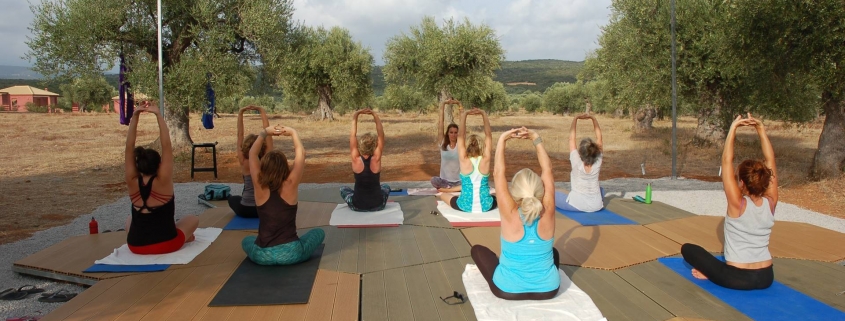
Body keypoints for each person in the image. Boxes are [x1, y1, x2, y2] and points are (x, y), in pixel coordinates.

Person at [681, 114, 777, 290]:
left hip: (736, 278)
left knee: (688, 249)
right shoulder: (771, 202)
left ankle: (711, 272)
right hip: (766, 276)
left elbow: (726, 161)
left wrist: (733, 128)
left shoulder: (737, 204)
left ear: (741, 183)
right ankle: (712, 271)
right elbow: (770, 161)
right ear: (765, 180)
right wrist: (761, 129)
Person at [471, 127, 560, 300]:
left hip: (507, 289)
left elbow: (498, 173)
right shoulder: (548, 211)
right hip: (549, 290)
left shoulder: (509, 212)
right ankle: (541, 276)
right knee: (554, 252)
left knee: (477, 250)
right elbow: (547, 170)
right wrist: (536, 137)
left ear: (514, 191)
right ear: (540, 189)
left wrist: (503, 139)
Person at [241, 124, 325, 265]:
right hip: (291, 253)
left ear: (264, 167)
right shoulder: (290, 184)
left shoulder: (259, 186)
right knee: (319, 232)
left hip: (262, 255)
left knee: (246, 241)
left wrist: (264, 133)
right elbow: (301, 154)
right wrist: (293, 132)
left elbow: (252, 154)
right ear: (285, 166)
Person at [124, 104, 198, 255]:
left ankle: (180, 236)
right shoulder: (163, 180)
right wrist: (158, 115)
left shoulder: (132, 180)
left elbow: (129, 146)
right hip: (166, 244)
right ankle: (185, 238)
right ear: (159, 165)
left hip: (135, 246)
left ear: (138, 165)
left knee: (128, 220)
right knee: (192, 219)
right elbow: (166, 145)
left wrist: (135, 116)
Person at [438, 108, 496, 212]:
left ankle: (449, 192)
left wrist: (465, 114)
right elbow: (488, 136)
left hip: (465, 206)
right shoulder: (485, 159)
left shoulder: (464, 159)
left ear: (467, 145)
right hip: (486, 206)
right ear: (481, 146)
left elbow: (461, 136)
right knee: (496, 195)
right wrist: (483, 113)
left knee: (442, 195)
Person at [340, 108, 390, 211]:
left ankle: (358, 195)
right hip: (378, 205)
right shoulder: (376, 158)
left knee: (343, 189)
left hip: (357, 205)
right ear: (375, 145)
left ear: (360, 145)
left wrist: (356, 115)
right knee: (386, 186)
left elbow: (352, 135)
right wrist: (375, 115)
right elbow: (381, 135)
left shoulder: (355, 158)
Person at [229, 105, 273, 218]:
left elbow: (240, 134)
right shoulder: (266, 158)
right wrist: (262, 111)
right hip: (264, 210)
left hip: (245, 210)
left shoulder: (243, 160)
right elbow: (268, 132)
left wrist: (240, 112)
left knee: (232, 198)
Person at [555, 113, 605, 212]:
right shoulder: (598, 161)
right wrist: (593, 118)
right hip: (596, 206)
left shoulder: (576, 162)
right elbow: (600, 138)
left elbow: (571, 139)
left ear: (580, 153)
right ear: (595, 151)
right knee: (602, 190)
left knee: (550, 190)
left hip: (576, 205)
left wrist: (576, 118)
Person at [431, 99, 462, 190]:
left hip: (459, 181)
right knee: (433, 180)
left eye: (456, 132)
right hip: (445, 181)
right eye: (451, 132)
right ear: (447, 133)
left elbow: (462, 123)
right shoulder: (443, 144)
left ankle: (451, 189)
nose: (453, 134)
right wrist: (443, 104)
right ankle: (450, 188)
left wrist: (459, 104)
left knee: (470, 182)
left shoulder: (460, 145)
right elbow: (441, 123)